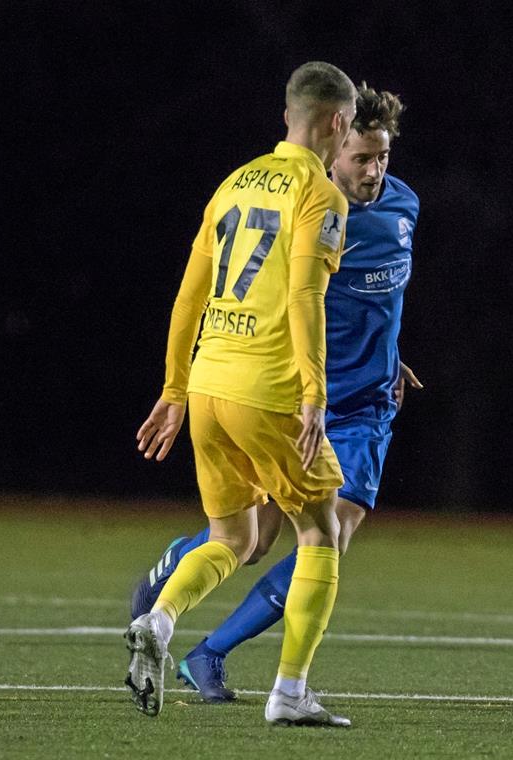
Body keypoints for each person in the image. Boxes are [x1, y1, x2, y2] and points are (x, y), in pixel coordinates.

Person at [129, 83, 421, 705]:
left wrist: (391, 352)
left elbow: (378, 296)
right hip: (292, 396)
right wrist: (311, 386)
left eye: (383, 157)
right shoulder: (312, 203)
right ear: (335, 141)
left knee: (328, 532)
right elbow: (299, 298)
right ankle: (171, 592)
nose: (373, 171)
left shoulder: (403, 205)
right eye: (361, 157)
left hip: (361, 405)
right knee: (256, 542)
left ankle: (208, 651)